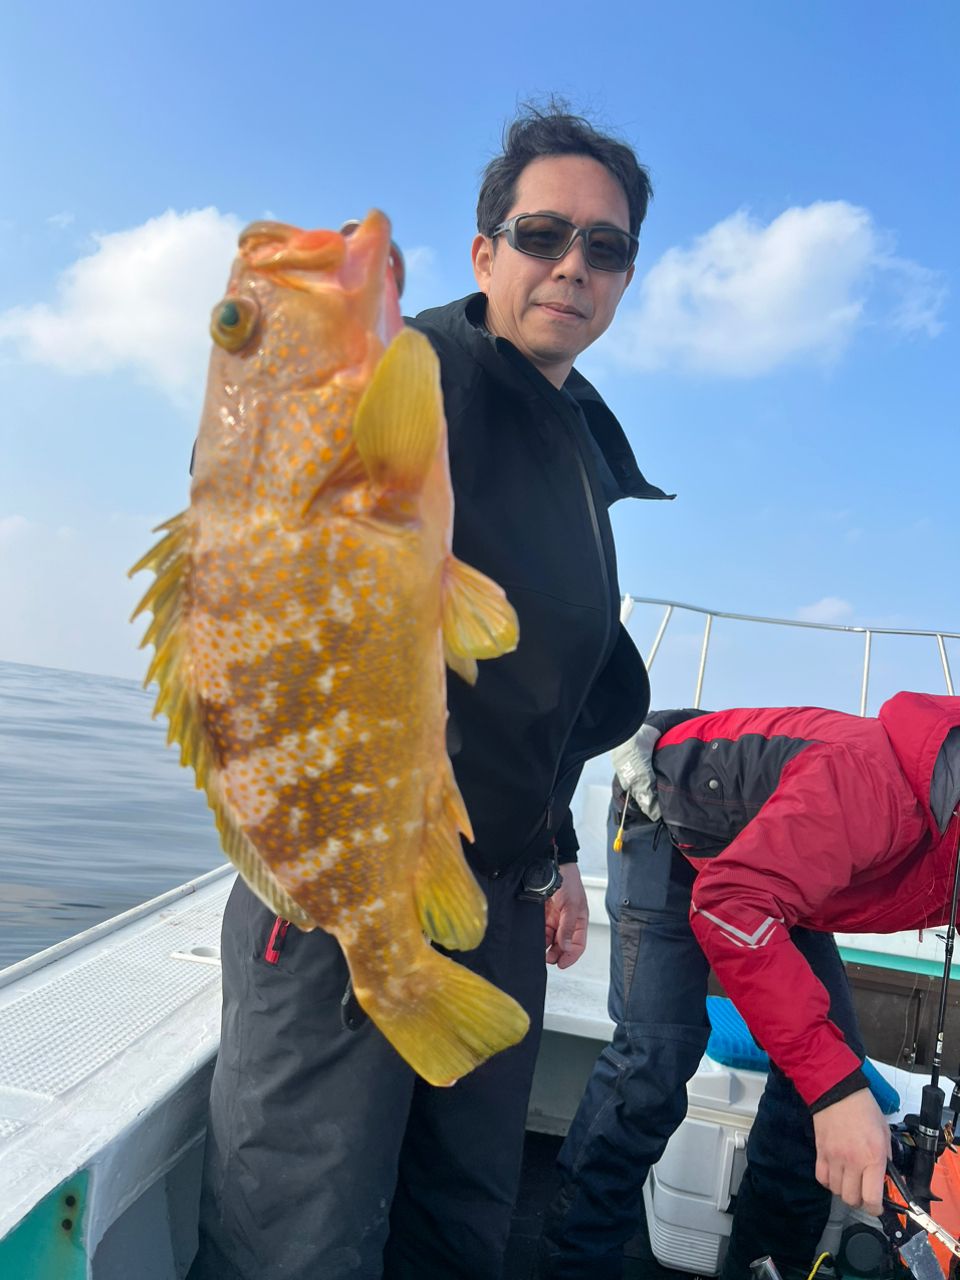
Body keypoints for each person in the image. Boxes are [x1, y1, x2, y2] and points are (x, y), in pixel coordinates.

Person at [187, 102, 672, 1280]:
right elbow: (252, 535)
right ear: (485, 251)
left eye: (603, 247)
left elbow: (540, 688)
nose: (572, 264)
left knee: (459, 1225)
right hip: (337, 893)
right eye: (544, 232)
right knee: (298, 1235)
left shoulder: (578, 436)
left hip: (488, 899)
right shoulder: (421, 374)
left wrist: (553, 851)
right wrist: (299, 332)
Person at [538, 695, 960, 1279]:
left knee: (829, 1063)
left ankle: (766, 1268)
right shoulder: (872, 783)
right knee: (657, 1055)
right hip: (668, 820)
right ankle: (570, 1265)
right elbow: (729, 906)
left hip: (778, 871)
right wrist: (835, 1093)